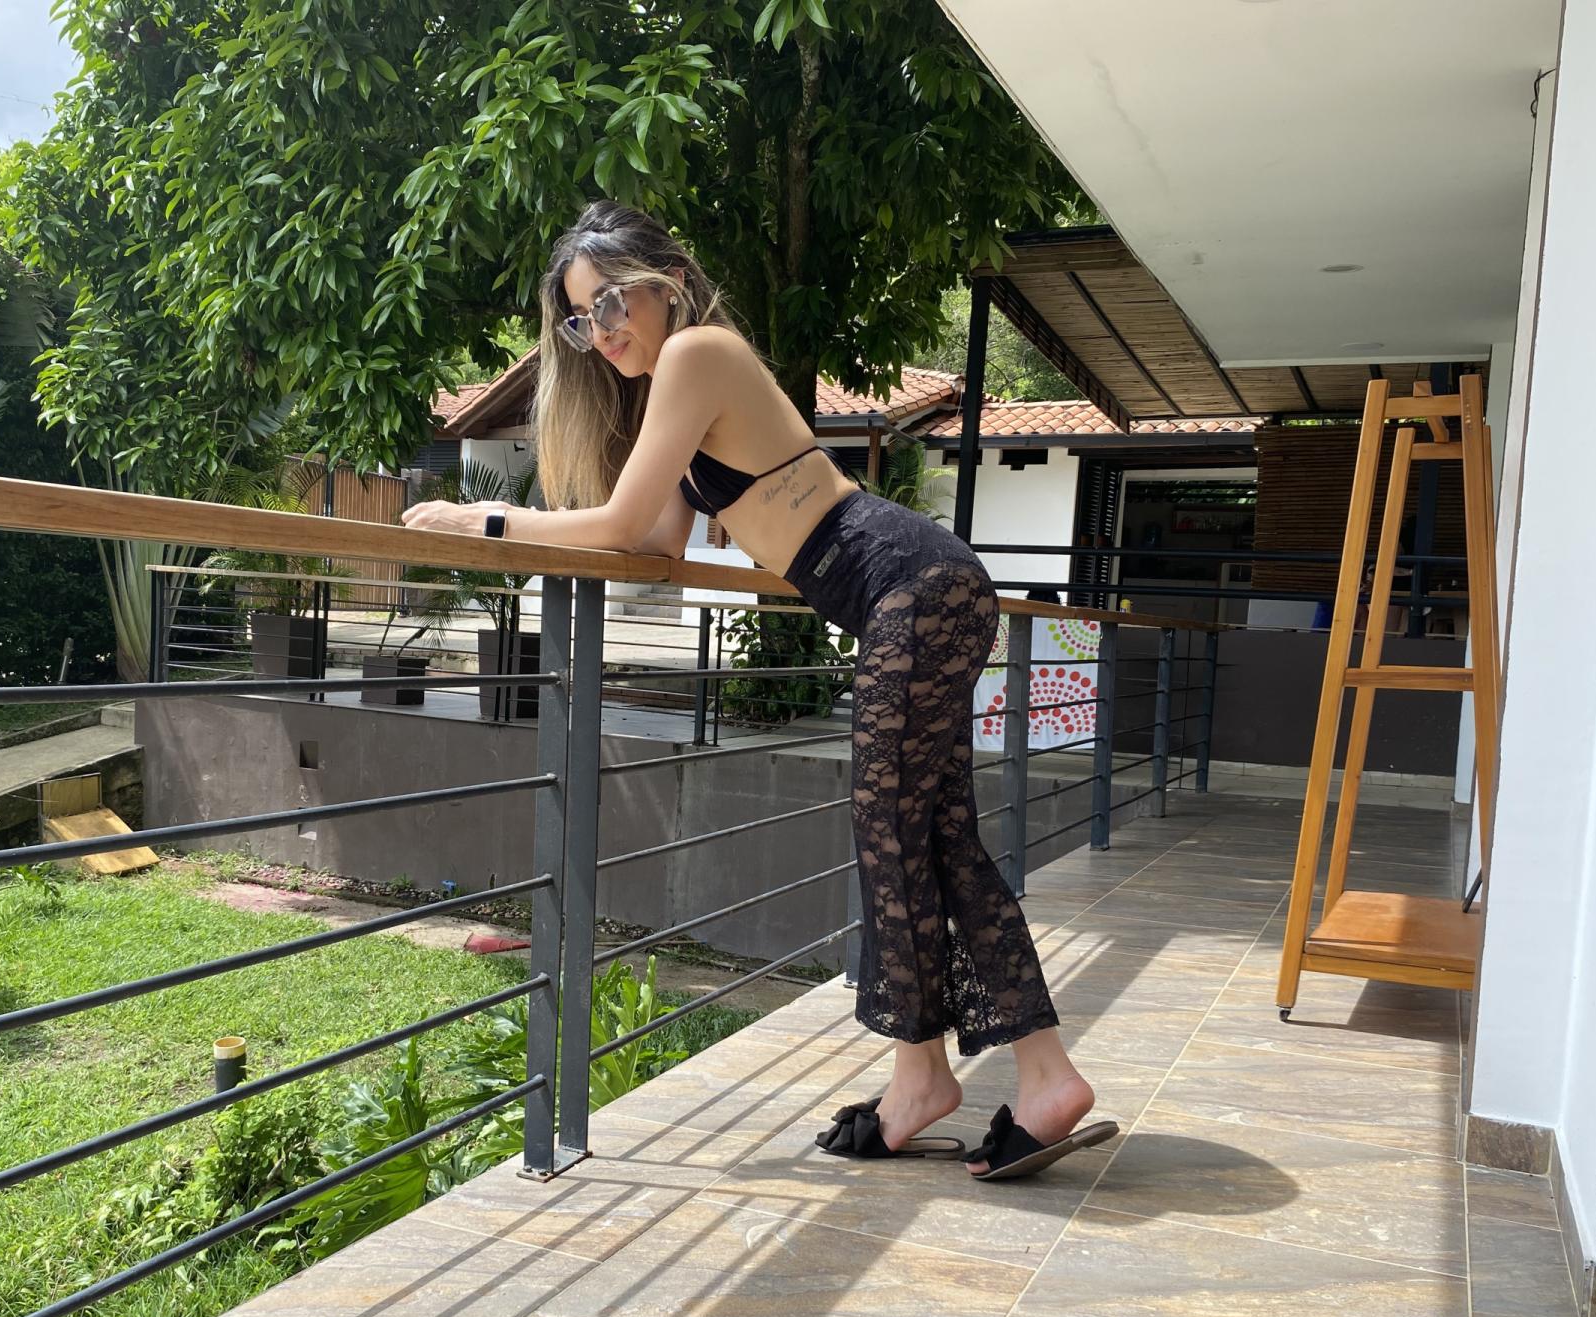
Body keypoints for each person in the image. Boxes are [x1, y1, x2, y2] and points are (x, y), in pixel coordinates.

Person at [401, 202, 1115, 1179]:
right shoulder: (673, 391)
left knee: (895, 835)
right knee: (928, 836)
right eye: (580, 319)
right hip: (916, 594)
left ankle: (971, 1077)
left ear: (666, 281)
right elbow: (655, 541)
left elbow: (619, 525)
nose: (601, 331)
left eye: (610, 302)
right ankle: (981, 1075)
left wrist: (483, 521)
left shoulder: (700, 351)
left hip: (912, 584)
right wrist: (560, 528)